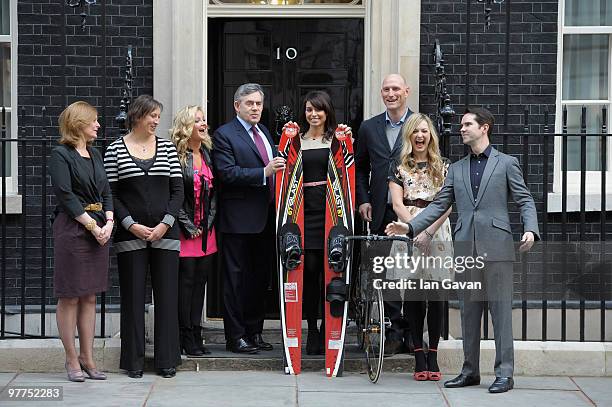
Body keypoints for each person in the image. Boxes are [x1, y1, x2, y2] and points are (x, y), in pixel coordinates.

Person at [386, 107, 539, 393]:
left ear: (485, 128)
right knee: (469, 313)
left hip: (497, 248)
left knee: (501, 314)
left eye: (468, 124)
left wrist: (530, 228)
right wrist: (410, 228)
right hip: (466, 248)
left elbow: (525, 199)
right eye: (461, 125)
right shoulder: (455, 169)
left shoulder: (506, 163)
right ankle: (470, 371)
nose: (462, 129)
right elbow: (438, 206)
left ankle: (504, 373)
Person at [104, 95, 184, 378]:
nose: (157, 121)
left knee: (167, 297)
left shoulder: (168, 148)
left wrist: (165, 223)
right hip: (130, 235)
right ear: (138, 116)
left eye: (158, 117)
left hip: (167, 233)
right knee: (133, 298)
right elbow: (110, 195)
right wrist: (130, 224)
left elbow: (178, 192)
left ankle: (167, 360)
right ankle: (134, 362)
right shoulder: (114, 149)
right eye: (152, 116)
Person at [212, 83, 285, 353]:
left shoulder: (264, 131)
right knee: (235, 280)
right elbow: (227, 173)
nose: (255, 108)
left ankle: (255, 332)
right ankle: (236, 336)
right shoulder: (224, 135)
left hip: (266, 218)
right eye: (250, 104)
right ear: (237, 106)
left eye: (258, 104)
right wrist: (263, 172)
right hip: (238, 220)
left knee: (259, 279)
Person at [49, 101, 113, 382]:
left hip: (99, 228)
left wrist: (108, 222)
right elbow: (65, 195)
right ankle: (71, 359)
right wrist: (90, 225)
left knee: (89, 295)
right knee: (70, 295)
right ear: (78, 124)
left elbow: (107, 190)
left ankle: (88, 358)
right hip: (74, 229)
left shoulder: (96, 154)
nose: (98, 125)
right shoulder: (60, 154)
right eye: (93, 121)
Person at [386, 113, 453, 381]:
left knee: (435, 296)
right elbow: (397, 204)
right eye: (415, 131)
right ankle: (418, 355)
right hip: (408, 230)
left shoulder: (445, 166)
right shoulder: (398, 165)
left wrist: (428, 230)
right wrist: (414, 229)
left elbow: (447, 203)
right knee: (413, 295)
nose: (420, 136)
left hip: (437, 233)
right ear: (409, 136)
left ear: (431, 135)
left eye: (424, 131)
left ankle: (433, 355)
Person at [284, 91, 352, 355]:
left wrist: (348, 143)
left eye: (319, 110)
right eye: (309, 110)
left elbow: (348, 170)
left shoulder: (337, 140)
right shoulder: (295, 142)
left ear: (327, 112)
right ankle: (311, 329)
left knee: (331, 274)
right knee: (309, 275)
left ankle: (329, 327)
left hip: (331, 212)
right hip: (304, 213)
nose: (314, 115)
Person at [355, 73, 414, 354]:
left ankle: (412, 331)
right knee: (383, 270)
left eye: (395, 89)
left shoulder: (419, 126)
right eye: (386, 89)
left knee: (414, 273)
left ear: (406, 91)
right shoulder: (368, 128)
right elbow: (360, 168)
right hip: (379, 209)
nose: (390, 94)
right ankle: (394, 330)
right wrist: (363, 200)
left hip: (412, 210)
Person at [170, 105, 217, 357]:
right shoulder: (177, 155)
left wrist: (206, 223)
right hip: (184, 231)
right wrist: (189, 227)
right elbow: (174, 196)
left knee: (200, 283)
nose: (203, 124)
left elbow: (215, 195)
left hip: (206, 231)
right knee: (185, 283)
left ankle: (196, 333)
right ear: (186, 127)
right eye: (197, 120)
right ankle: (184, 334)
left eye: (203, 120)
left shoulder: (208, 153)